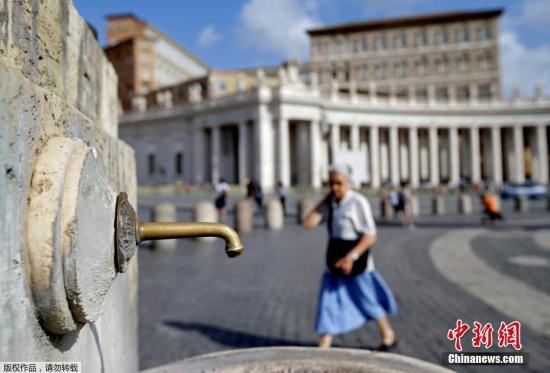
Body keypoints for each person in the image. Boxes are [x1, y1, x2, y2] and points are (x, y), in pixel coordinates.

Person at [303, 164, 398, 350]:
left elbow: (371, 235)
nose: (334, 187)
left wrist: (351, 257)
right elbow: (308, 223)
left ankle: (388, 334)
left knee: (368, 301)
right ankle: (324, 344)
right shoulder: (331, 203)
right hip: (334, 262)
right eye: (331, 183)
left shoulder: (358, 202)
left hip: (356, 262)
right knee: (327, 302)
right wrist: (324, 200)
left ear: (349, 182)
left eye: (339, 183)